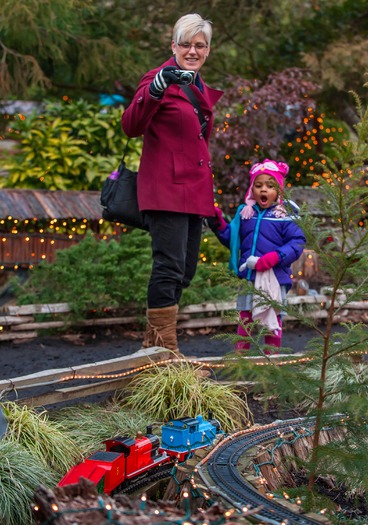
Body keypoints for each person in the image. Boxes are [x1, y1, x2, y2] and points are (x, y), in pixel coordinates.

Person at [122, 13, 223, 354]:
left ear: (208, 49)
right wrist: (154, 90)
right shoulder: (158, 78)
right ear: (173, 45)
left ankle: (153, 346)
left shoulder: (197, 85)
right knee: (169, 266)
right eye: (186, 44)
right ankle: (166, 351)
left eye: (200, 45)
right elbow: (131, 126)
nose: (192, 51)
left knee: (186, 271)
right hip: (166, 188)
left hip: (194, 190)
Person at [208, 159, 306, 353]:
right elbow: (233, 240)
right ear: (252, 189)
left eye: (270, 186)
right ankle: (241, 357)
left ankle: (272, 358)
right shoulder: (246, 215)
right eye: (258, 185)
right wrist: (217, 222)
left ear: (279, 190)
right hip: (249, 277)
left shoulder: (283, 216)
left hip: (275, 277)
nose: (264, 190)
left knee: (273, 318)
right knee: (246, 318)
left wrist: (274, 257)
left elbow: (296, 243)